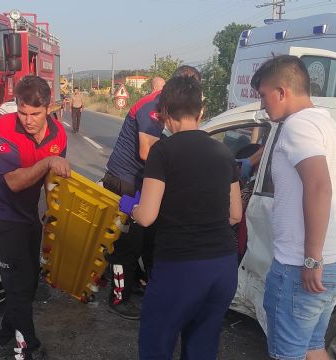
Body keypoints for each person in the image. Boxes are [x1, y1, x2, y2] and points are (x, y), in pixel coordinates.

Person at [122, 75, 242, 359]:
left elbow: (148, 216)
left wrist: (130, 207)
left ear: (163, 113)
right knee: (202, 346)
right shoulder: (223, 152)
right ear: (201, 111)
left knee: (157, 345)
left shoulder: (162, 152)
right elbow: (235, 214)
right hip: (223, 268)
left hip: (180, 269)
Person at [251, 55, 336, 360]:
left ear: (282, 91)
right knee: (313, 346)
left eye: (263, 96)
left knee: (287, 354)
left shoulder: (298, 126)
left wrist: (311, 258)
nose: (262, 105)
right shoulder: (329, 124)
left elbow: (318, 186)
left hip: (302, 266)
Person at [0, 75, 70, 360]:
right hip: (1, 211)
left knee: (31, 279)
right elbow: (16, 183)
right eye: (22, 112)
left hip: (28, 212)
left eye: (35, 113)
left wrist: (54, 211)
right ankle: (26, 345)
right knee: (17, 281)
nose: (28, 119)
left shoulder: (59, 134)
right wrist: (47, 161)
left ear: (49, 108)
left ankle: (6, 334)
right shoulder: (3, 129)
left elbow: (51, 180)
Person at [100, 73, 170, 320]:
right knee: (128, 245)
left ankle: (136, 282)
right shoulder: (153, 107)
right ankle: (118, 297)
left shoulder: (162, 106)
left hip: (138, 182)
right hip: (125, 183)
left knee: (147, 240)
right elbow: (146, 151)